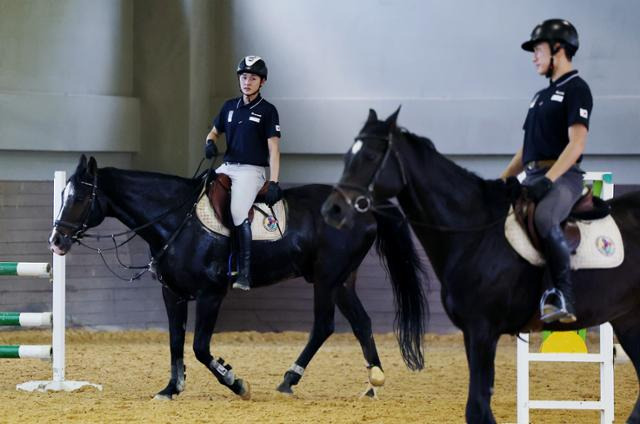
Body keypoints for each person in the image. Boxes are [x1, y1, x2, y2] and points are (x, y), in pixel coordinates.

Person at [501, 19, 593, 323]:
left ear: (559, 50)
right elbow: (524, 151)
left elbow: (576, 144)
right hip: (533, 175)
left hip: (564, 177)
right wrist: (502, 181)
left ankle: (563, 295)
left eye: (537, 50)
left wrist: (550, 180)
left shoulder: (577, 89)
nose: (533, 57)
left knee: (544, 216)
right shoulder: (538, 98)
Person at [204, 55, 283, 291]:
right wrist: (209, 143)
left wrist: (274, 180)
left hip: (252, 170)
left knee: (238, 212)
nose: (247, 82)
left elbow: (274, 149)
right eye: (244, 77)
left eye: (253, 78)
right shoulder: (229, 107)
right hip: (228, 166)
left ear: (263, 82)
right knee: (198, 192)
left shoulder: (268, 111)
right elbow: (214, 132)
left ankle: (245, 271)